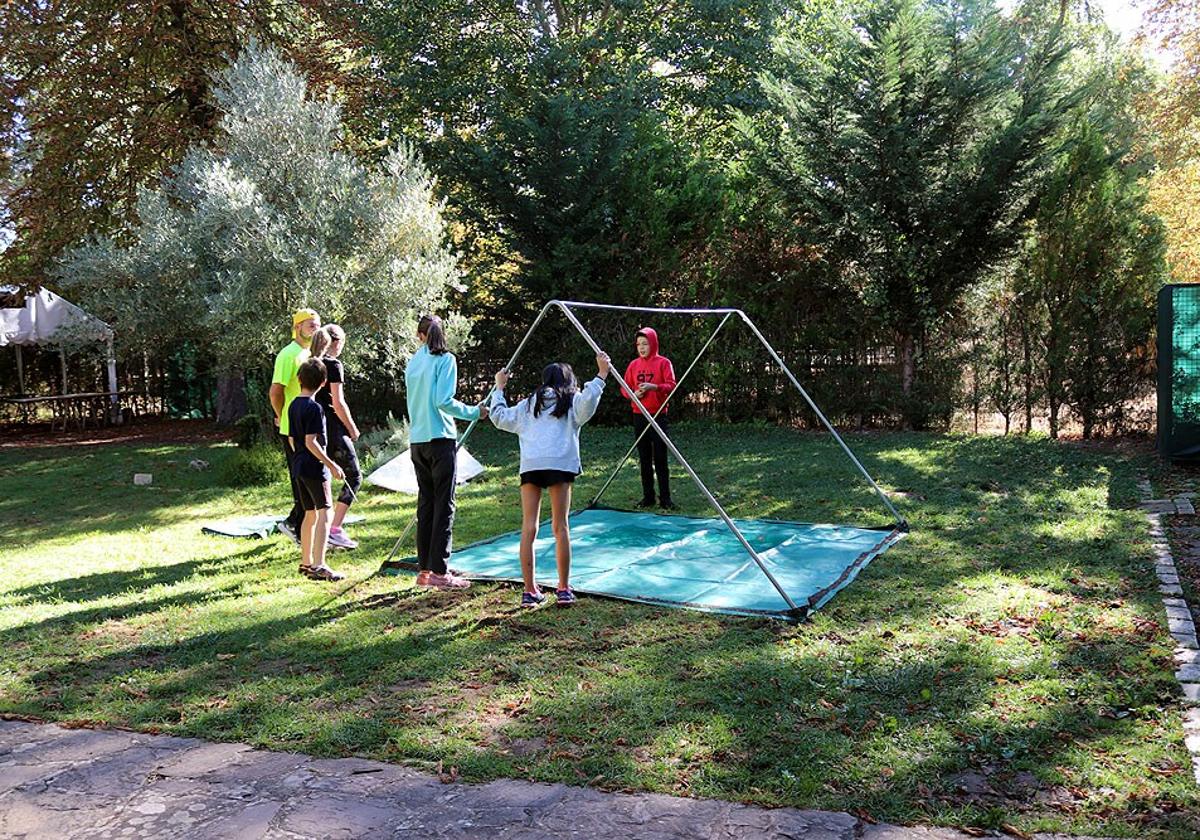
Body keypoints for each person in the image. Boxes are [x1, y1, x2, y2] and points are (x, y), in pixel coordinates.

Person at [490, 355, 609, 608]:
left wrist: (499, 388)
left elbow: (499, 417)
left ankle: (529, 590)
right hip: (559, 464)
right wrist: (601, 376)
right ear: (568, 381)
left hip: (532, 465)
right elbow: (588, 403)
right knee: (560, 526)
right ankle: (563, 588)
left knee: (529, 527)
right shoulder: (570, 402)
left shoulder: (528, 405)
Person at [404, 314, 487, 591]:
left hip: (417, 441)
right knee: (444, 505)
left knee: (426, 504)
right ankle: (440, 571)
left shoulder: (413, 363)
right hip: (439, 440)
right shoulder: (445, 360)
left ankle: (425, 570)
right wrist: (475, 412)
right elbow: (443, 401)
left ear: (419, 336)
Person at [288, 358, 346, 581]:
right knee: (324, 513)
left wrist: (300, 457)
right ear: (323, 383)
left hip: (299, 465)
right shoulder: (315, 408)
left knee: (309, 514)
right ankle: (319, 565)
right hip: (314, 467)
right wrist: (331, 465)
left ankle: (305, 563)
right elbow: (312, 441)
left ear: (299, 379)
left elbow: (294, 439)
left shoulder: (293, 404)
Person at [270, 308, 321, 543]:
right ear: (297, 327)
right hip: (292, 429)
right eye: (310, 324)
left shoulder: (309, 353)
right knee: (300, 479)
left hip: (307, 425)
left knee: (307, 477)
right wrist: (281, 416)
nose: (314, 327)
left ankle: (300, 527)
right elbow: (276, 391)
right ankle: (294, 525)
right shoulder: (288, 355)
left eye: (317, 324)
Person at [310, 324, 362, 550]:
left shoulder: (311, 362)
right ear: (336, 342)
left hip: (315, 428)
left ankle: (321, 528)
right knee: (354, 476)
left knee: (325, 478)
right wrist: (352, 428)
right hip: (333, 428)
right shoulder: (333, 365)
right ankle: (335, 529)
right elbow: (338, 402)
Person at [623, 326, 677, 509]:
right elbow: (624, 387)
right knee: (644, 458)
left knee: (660, 458)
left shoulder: (663, 363)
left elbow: (671, 385)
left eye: (645, 344)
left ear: (653, 343)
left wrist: (655, 387)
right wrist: (633, 394)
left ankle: (666, 499)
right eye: (638, 344)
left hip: (658, 415)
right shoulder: (633, 365)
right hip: (639, 415)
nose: (641, 347)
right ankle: (648, 497)